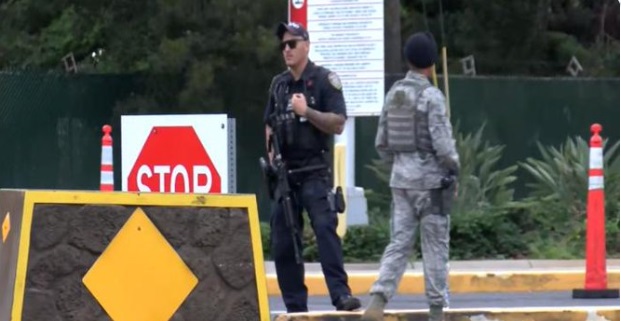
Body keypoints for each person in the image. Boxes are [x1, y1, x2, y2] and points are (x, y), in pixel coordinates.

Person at [263, 21, 362, 313]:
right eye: (283, 45)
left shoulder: (323, 80)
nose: (286, 50)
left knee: (324, 229)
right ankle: (295, 307)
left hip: (314, 171)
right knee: (283, 241)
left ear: (306, 45)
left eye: (292, 44)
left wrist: (307, 112)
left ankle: (340, 296)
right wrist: (272, 159)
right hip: (286, 173)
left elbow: (338, 122)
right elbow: (269, 124)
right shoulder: (278, 84)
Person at [360, 31, 460, 321]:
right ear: (431, 65)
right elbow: (443, 145)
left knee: (399, 243)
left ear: (408, 59)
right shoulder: (432, 96)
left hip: (401, 182)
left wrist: (401, 163)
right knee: (435, 247)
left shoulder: (394, 94)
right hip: (432, 186)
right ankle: (436, 311)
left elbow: (382, 142)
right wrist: (453, 169)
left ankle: (378, 301)